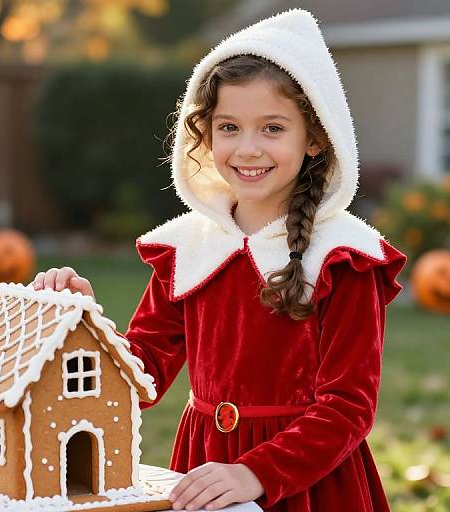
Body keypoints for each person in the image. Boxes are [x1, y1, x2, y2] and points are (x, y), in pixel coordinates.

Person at [33, 8, 408, 512]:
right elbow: (141, 376)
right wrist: (84, 323)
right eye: (229, 127)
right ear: (206, 134)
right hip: (204, 470)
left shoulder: (345, 257)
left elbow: (348, 408)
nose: (247, 148)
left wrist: (257, 472)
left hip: (309, 483)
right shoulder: (188, 249)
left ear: (315, 139)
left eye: (272, 128)